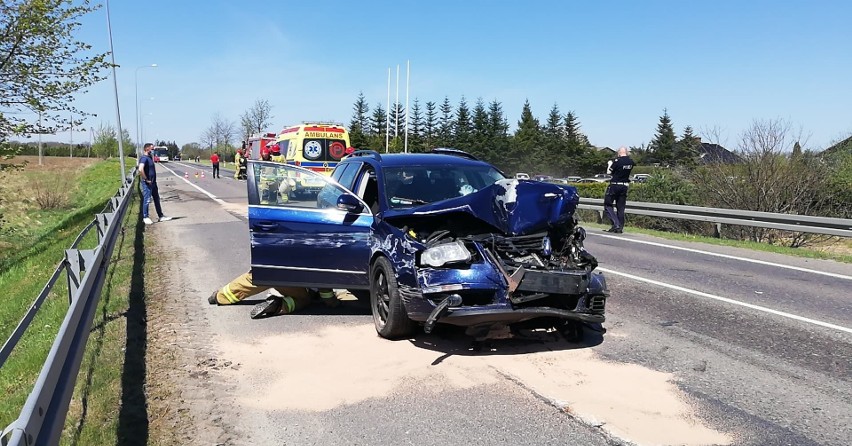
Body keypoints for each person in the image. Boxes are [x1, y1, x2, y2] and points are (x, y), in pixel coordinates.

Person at [208, 271, 340, 318]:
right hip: (297, 288)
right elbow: (325, 287)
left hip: (276, 270)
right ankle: (277, 305)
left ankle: (220, 296)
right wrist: (332, 302)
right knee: (302, 300)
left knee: (256, 277)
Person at [138, 143, 173, 225]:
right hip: (148, 183)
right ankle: (145, 217)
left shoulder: (150, 158)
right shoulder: (144, 158)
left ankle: (161, 216)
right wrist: (146, 179)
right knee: (147, 199)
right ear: (147, 149)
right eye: (152, 149)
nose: (153, 150)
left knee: (156, 199)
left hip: (153, 182)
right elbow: (140, 169)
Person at [603, 146, 635, 233]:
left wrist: (609, 164)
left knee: (608, 205)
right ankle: (620, 227)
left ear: (619, 153)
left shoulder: (617, 161)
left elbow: (609, 172)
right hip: (624, 186)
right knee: (620, 207)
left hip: (614, 185)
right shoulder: (630, 162)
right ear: (626, 152)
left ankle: (615, 223)